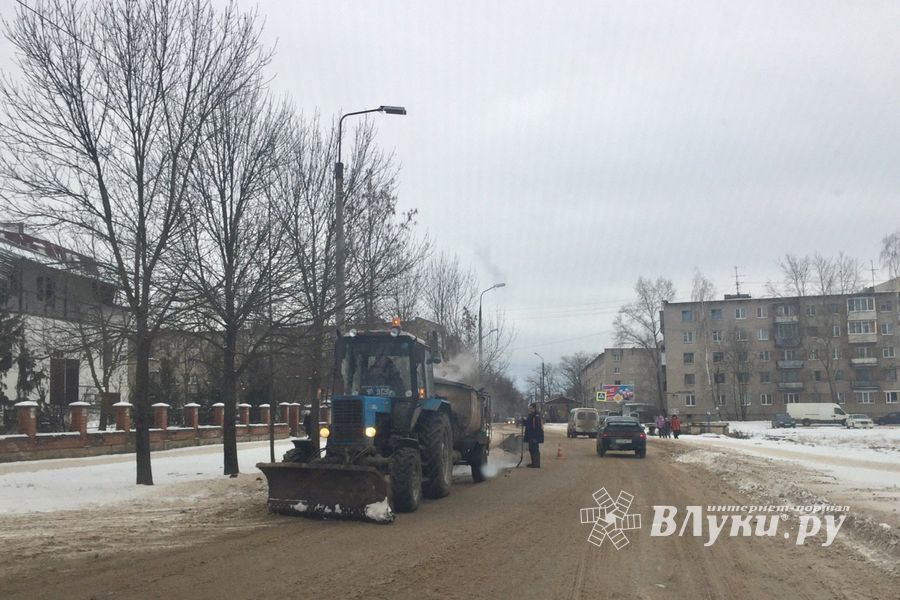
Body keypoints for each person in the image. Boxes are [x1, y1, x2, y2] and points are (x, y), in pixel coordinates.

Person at [523, 403, 544, 468]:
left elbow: (537, 428)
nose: (529, 409)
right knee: (531, 449)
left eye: (531, 408)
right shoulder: (530, 415)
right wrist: (524, 421)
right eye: (529, 408)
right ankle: (533, 463)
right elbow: (528, 424)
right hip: (530, 436)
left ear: (534, 408)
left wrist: (535, 437)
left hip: (534, 436)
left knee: (535, 449)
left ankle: (536, 464)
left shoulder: (536, 416)